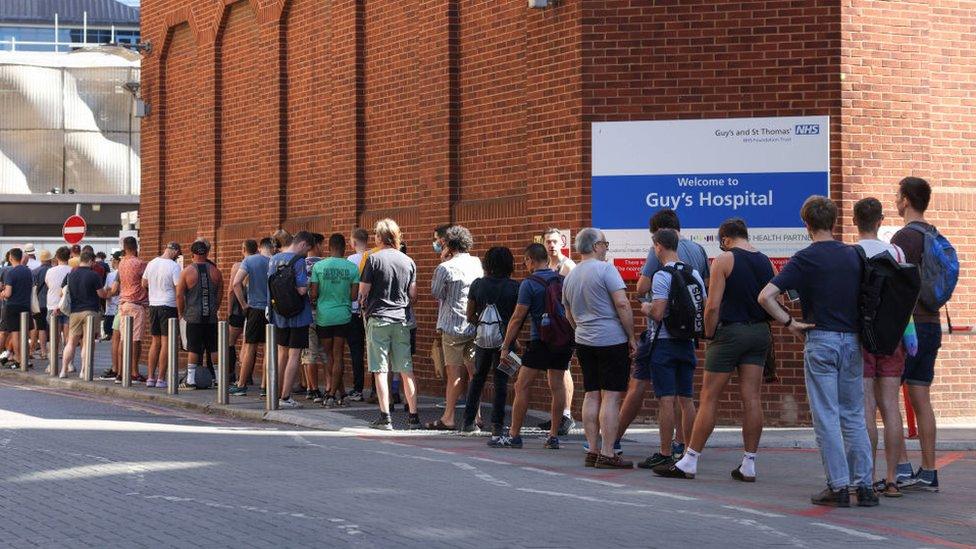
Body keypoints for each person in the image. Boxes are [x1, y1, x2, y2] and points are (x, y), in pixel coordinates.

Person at [758, 195, 877, 508]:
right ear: (834, 222)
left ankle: (838, 486)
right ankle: (864, 486)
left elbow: (766, 296)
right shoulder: (854, 255)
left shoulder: (804, 259)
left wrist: (790, 323)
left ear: (806, 224)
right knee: (853, 414)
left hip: (820, 339)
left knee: (827, 416)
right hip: (852, 340)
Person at [653, 219, 770, 481]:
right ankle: (749, 463)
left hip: (729, 332)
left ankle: (690, 460)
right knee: (752, 398)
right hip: (759, 332)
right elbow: (777, 299)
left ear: (725, 238)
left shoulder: (725, 260)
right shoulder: (765, 261)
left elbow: (713, 305)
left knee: (709, 398)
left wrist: (708, 333)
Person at [625, 228, 706, 472]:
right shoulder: (695, 274)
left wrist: (646, 307)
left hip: (664, 342)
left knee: (666, 400)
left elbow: (658, 312)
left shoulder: (662, 275)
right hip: (687, 343)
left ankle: (664, 453)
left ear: (659, 246)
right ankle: (688, 451)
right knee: (687, 399)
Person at [850, 198, 911, 497]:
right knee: (891, 408)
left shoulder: (852, 254)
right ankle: (892, 479)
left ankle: (868, 477)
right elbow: (904, 300)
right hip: (892, 337)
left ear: (854, 221)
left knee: (866, 410)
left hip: (862, 338)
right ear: (880, 221)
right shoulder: (896, 251)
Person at [562, 228, 637, 469]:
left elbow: (568, 312)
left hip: (584, 340)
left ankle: (592, 450)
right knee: (612, 397)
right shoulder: (606, 269)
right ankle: (607, 452)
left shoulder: (571, 275)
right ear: (595, 246)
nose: (606, 248)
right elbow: (622, 304)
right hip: (611, 339)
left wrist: (579, 329)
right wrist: (631, 336)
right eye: (605, 243)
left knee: (592, 393)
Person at [891, 177, 946, 492]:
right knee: (921, 396)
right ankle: (929, 471)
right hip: (932, 322)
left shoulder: (904, 237)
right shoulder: (934, 234)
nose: (895, 201)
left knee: (888, 396)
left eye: (897, 196)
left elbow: (895, 286)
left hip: (908, 326)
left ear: (906, 200)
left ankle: (900, 467)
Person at [494, 244, 569, 449]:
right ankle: (553, 435)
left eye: (525, 261)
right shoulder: (562, 279)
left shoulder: (529, 283)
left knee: (521, 385)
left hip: (541, 340)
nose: (524, 265)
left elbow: (518, 317)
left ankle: (514, 435)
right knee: (557, 385)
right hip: (563, 339)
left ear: (531, 260)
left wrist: (506, 345)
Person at [359, 219, 420, 430]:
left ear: (378, 237)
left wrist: (363, 303)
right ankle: (414, 416)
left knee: (381, 370)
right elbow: (413, 295)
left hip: (378, 318)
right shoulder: (408, 261)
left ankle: (385, 417)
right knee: (406, 369)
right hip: (402, 319)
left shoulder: (373, 259)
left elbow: (363, 291)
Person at [427, 226, 483, 430]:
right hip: (473, 324)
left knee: (454, 374)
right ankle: (476, 416)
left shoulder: (445, 268)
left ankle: (448, 417)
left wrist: (443, 261)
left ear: (450, 244)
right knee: (473, 372)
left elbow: (436, 293)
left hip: (452, 326)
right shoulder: (477, 262)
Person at [460, 247, 519, 437]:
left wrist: (483, 324)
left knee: (478, 379)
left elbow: (469, 315)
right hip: (506, 341)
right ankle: (497, 425)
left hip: (482, 340)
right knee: (501, 381)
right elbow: (518, 317)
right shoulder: (515, 287)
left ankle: (468, 421)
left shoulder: (478, 285)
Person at [267, 231, 316, 408]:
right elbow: (302, 290)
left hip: (279, 313)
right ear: (303, 244)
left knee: (282, 353)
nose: (306, 253)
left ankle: (275, 392)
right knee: (294, 354)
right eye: (307, 249)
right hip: (298, 314)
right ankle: (286, 397)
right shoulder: (299, 261)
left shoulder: (273, 259)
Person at [311, 233, 360, 407]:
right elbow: (354, 296)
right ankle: (340, 394)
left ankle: (331, 393)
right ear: (344, 247)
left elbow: (314, 294)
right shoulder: (352, 268)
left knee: (328, 355)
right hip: (343, 315)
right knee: (339, 355)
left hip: (324, 316)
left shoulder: (319, 266)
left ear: (329, 247)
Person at [539, 228, 578, 436]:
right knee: (552, 371)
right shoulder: (545, 266)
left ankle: (566, 415)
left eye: (554, 241)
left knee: (564, 370)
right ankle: (557, 415)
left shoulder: (568, 265)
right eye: (548, 242)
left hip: (563, 324)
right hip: (549, 326)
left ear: (562, 242)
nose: (551, 245)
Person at [176, 240, 223, 389]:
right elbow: (220, 293)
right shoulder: (216, 271)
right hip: (210, 316)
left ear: (192, 254)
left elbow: (179, 295)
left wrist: (181, 312)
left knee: (194, 348)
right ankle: (218, 379)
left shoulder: (187, 271)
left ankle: (191, 380)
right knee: (214, 348)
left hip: (193, 316)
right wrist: (214, 308)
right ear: (207, 253)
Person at [230, 237, 274, 397]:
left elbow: (236, 283)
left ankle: (241, 384)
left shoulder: (251, 260)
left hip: (254, 308)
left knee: (250, 347)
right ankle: (265, 386)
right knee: (269, 348)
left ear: (260, 247)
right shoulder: (276, 261)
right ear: (272, 248)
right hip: (273, 310)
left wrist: (243, 304)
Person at [57, 251, 109, 377]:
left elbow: (62, 292)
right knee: (87, 342)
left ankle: (63, 370)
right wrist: (108, 291)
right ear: (90, 261)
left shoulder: (71, 275)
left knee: (71, 342)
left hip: (75, 312)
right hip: (91, 311)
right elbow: (101, 294)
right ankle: (83, 371)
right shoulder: (94, 275)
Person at [143, 242, 182, 389]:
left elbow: (143, 283)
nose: (177, 257)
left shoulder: (152, 263)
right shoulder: (174, 266)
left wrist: (155, 289)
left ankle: (150, 377)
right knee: (166, 342)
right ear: (174, 251)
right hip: (168, 305)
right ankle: (161, 378)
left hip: (153, 305)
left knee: (155, 342)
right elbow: (178, 290)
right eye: (177, 255)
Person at [117, 236, 148, 383]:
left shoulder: (121, 263)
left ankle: (121, 370)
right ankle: (134, 372)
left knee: (124, 339)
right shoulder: (140, 263)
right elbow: (146, 282)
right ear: (136, 247)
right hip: (136, 304)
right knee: (136, 340)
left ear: (124, 248)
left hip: (123, 304)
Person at [301, 233, 328, 402]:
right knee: (326, 353)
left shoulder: (299, 265)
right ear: (316, 245)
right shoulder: (325, 265)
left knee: (309, 354)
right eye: (322, 244)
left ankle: (312, 388)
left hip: (306, 315)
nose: (323, 248)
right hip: (325, 314)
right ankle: (329, 388)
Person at [345, 228, 370, 401]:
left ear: (353, 243)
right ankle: (377, 389)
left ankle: (358, 389)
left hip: (354, 310)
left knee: (356, 351)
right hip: (371, 310)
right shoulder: (373, 257)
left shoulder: (350, 260)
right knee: (376, 352)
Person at [227, 240, 256, 385]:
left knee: (230, 342)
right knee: (250, 343)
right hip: (253, 308)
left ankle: (231, 374)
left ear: (243, 249)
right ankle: (247, 376)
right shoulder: (259, 264)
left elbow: (231, 290)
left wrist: (229, 310)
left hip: (239, 308)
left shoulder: (238, 266)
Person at [0, 248, 33, 369]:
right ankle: (25, 358)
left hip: (13, 306)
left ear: (10, 258)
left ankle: (18, 359)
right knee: (25, 334)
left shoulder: (11, 273)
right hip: (25, 305)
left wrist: (2, 293)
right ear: (22, 258)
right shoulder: (28, 271)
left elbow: (8, 293)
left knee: (15, 334)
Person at [45, 247, 72, 366]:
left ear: (57, 257)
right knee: (68, 338)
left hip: (53, 305)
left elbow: (47, 284)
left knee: (54, 337)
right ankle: (69, 364)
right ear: (69, 257)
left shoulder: (50, 271)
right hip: (67, 307)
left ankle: (52, 364)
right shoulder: (72, 271)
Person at [100, 252, 121, 378]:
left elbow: (108, 291)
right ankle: (121, 367)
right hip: (121, 310)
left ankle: (115, 367)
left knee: (115, 341)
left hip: (112, 311)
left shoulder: (112, 275)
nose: (111, 262)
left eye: (113, 259)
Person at [31, 249, 53, 360]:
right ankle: (55, 350)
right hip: (52, 303)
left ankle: (43, 351)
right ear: (50, 259)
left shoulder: (34, 272)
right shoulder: (53, 270)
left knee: (41, 328)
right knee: (54, 328)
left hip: (39, 303)